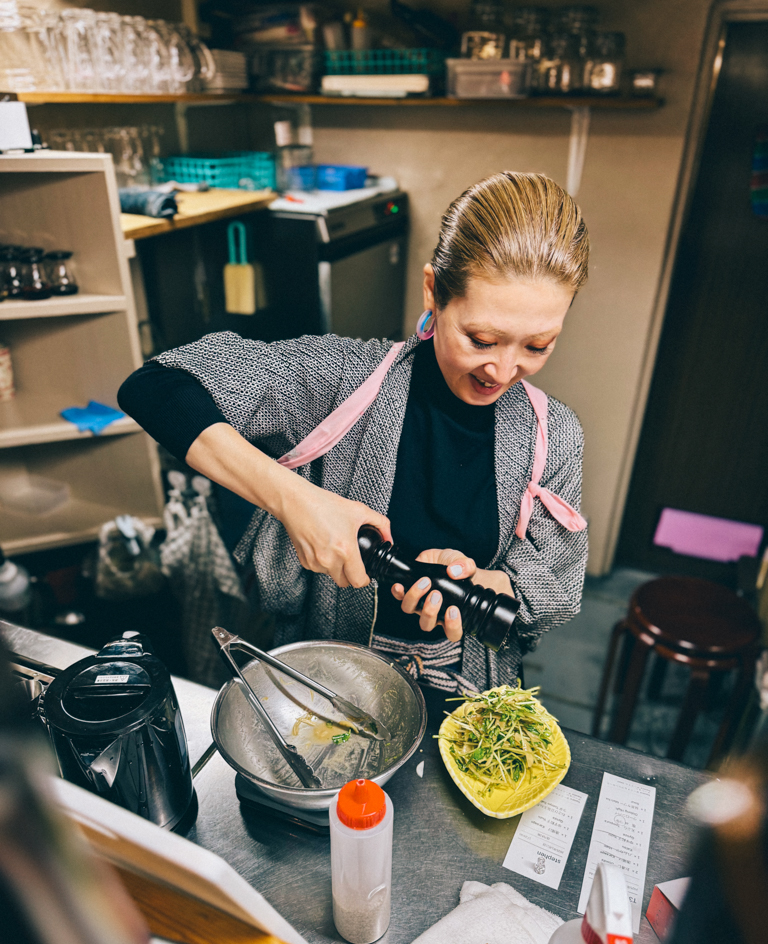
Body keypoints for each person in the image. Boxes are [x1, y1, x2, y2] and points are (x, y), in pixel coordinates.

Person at [119, 171, 589, 694]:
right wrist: (295, 500)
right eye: (480, 339)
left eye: (537, 346)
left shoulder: (555, 435)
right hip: (322, 679)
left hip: (465, 689)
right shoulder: (339, 381)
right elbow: (155, 385)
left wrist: (493, 585)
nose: (501, 372)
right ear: (434, 291)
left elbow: (556, 584)